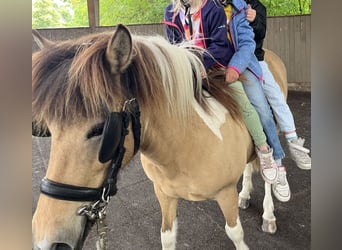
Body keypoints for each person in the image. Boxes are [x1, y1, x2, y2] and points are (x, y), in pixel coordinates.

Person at [163, 0, 282, 185]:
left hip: (215, 66)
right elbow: (173, 46)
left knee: (244, 103)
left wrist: (201, 63)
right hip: (188, 69)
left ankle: (263, 148)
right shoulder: (170, 12)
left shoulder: (213, 8)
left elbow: (220, 45)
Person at [244, 0, 311, 201]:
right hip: (228, 61)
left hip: (255, 59)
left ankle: (287, 148)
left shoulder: (257, 7)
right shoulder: (220, 7)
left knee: (272, 101)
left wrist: (255, 20)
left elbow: (259, 34)